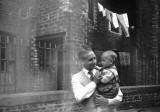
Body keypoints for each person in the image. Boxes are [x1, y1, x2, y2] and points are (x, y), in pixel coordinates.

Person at [71, 46, 101, 112]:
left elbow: (116, 92)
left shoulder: (102, 72)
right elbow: (79, 97)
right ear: (82, 62)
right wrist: (94, 82)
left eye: (95, 58)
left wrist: (109, 101)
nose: (94, 62)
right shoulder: (76, 77)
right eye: (90, 60)